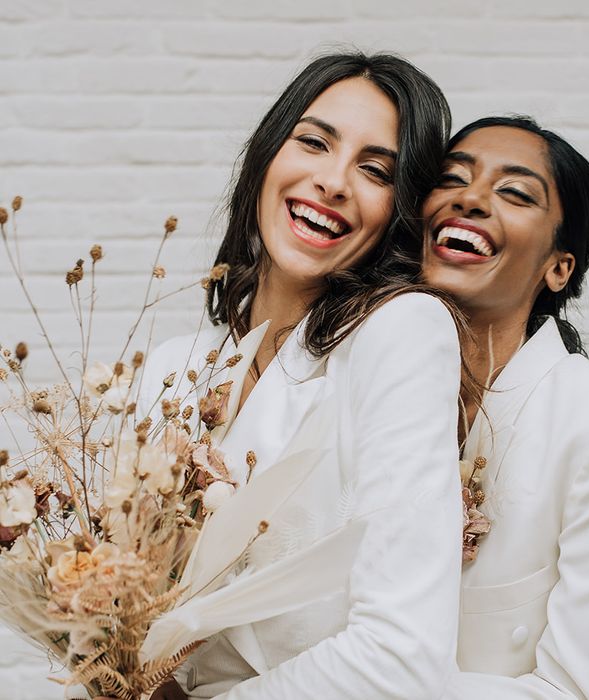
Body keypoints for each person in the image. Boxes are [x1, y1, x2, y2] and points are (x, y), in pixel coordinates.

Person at [92, 51, 464, 700]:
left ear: (400, 211)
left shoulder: (398, 335)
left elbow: (402, 653)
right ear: (267, 156)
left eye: (375, 170)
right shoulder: (174, 370)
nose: (333, 180)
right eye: (314, 142)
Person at [422, 116, 589, 699]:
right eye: (451, 178)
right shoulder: (348, 386)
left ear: (559, 268)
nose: (471, 198)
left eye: (515, 192)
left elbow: (572, 690)